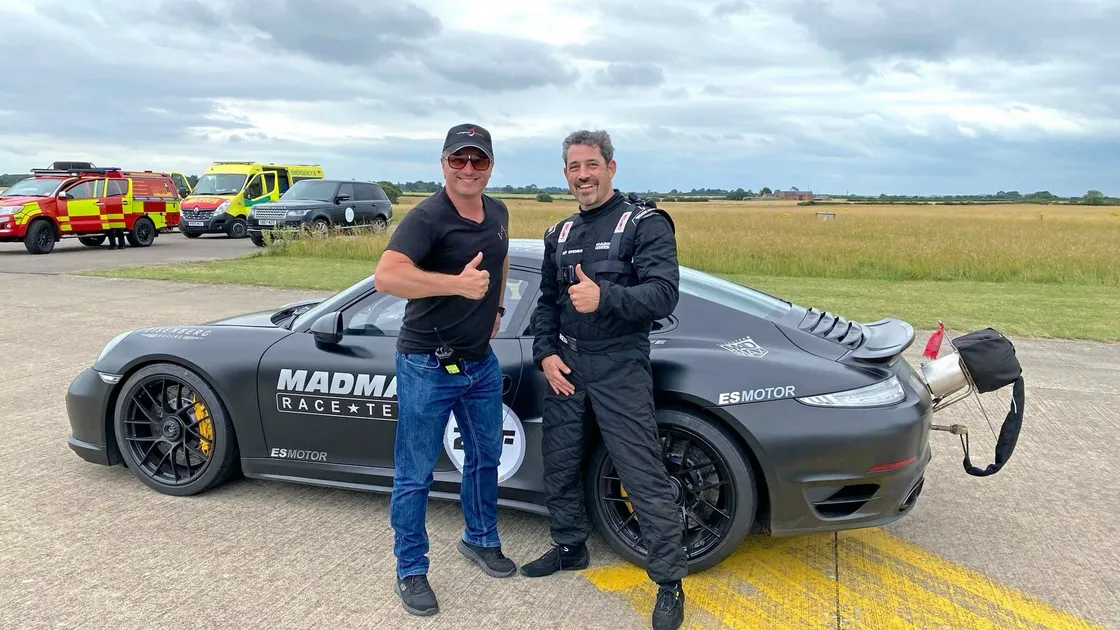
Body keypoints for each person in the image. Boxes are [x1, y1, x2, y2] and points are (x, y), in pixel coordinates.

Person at [522, 129, 686, 630]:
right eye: (574, 167)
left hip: (619, 364)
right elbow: (546, 303)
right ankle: (569, 546)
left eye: (591, 165)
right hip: (568, 367)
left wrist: (607, 299)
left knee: (642, 472)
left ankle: (668, 582)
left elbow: (663, 295)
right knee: (561, 461)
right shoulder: (560, 233)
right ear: (566, 173)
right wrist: (545, 354)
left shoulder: (645, 223)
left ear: (611, 168)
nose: (583, 175)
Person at [372, 123, 514, 617]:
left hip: (479, 363)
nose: (469, 169)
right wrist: (456, 286)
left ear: (491, 166)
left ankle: (480, 538)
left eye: (479, 161)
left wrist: (494, 310)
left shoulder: (497, 210)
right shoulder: (427, 217)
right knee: (415, 474)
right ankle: (410, 570)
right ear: (443, 163)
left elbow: (500, 262)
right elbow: (387, 276)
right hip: (426, 363)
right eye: (459, 160)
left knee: (485, 458)